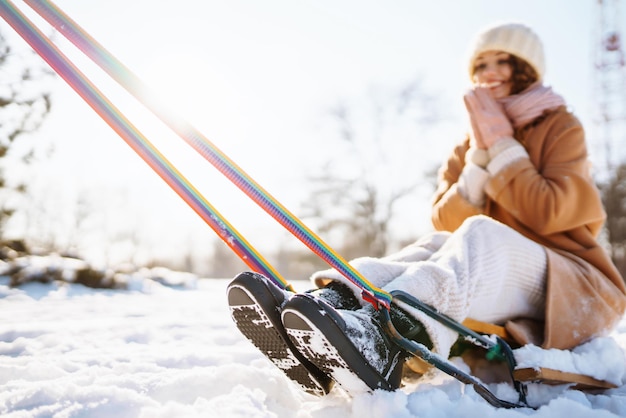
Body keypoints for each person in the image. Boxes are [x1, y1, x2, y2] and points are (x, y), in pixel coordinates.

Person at [226, 22, 626, 397]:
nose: (489, 72)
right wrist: (478, 161)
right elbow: (447, 223)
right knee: (435, 242)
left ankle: (389, 339)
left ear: (525, 69)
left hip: (570, 284)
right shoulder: (470, 144)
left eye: (501, 60)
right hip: (496, 277)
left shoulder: (560, 126)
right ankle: (333, 311)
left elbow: (549, 212)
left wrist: (504, 147)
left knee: (482, 234)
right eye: (480, 64)